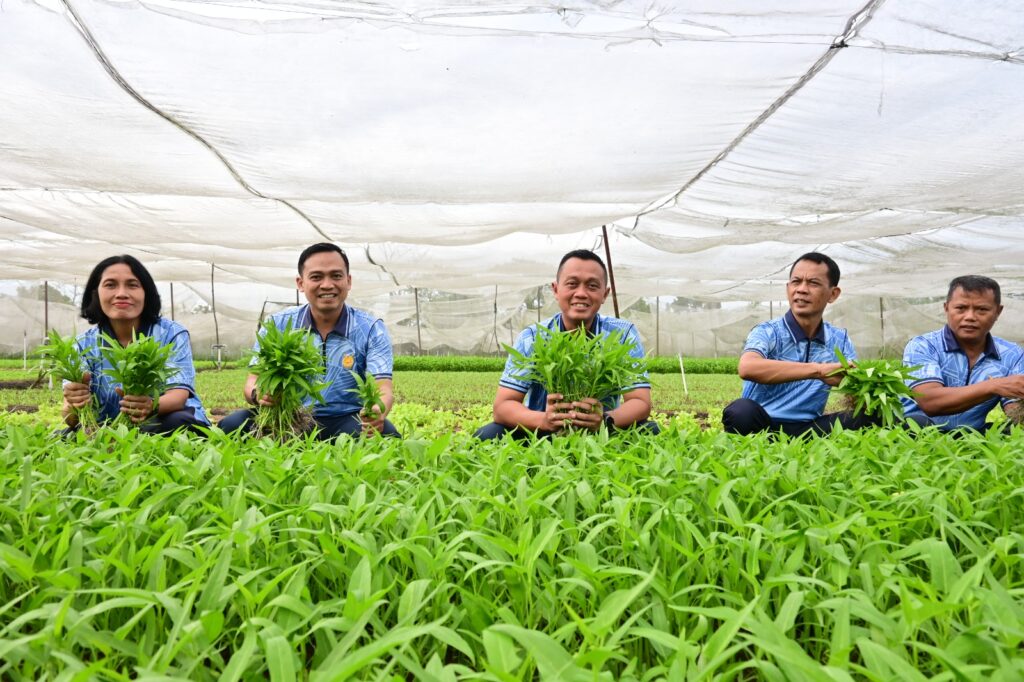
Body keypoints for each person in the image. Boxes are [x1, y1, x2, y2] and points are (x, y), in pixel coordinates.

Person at [219, 243, 400, 438]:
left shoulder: (370, 328)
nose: (327, 285)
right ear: (300, 283)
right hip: (291, 417)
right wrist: (258, 394)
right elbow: (253, 380)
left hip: (347, 419)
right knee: (231, 426)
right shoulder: (278, 324)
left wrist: (376, 411)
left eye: (336, 276)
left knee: (387, 435)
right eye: (316, 277)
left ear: (348, 281)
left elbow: (383, 387)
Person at [475, 249, 656, 439]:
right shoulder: (532, 337)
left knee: (650, 431)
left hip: (602, 433)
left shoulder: (622, 334)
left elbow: (640, 401)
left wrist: (605, 420)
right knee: (488, 435)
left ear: (605, 294)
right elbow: (503, 406)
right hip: (542, 434)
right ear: (556, 290)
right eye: (572, 284)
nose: (581, 293)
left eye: (592, 286)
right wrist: (544, 420)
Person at [722, 252, 876, 436]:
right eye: (796, 282)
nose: (802, 289)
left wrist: (857, 383)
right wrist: (818, 371)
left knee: (870, 416)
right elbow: (748, 367)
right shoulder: (768, 331)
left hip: (810, 429)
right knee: (740, 411)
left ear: (833, 294)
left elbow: (858, 391)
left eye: (813, 283)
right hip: (763, 424)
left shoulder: (839, 339)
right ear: (788, 288)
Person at [61, 255, 210, 434]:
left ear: (146, 292)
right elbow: (69, 418)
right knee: (64, 437)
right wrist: (75, 404)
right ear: (95, 293)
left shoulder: (170, 333)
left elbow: (178, 396)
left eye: (132, 285)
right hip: (107, 427)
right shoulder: (82, 344)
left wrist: (150, 405)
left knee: (176, 424)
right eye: (110, 285)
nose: (122, 293)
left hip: (163, 418)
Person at [901, 275, 1024, 432]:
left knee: (1009, 430)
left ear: (998, 312)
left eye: (982, 309)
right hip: (921, 429)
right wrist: (994, 385)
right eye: (961, 308)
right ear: (946, 308)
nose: (970, 317)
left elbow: (1015, 410)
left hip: (971, 433)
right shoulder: (924, 345)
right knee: (917, 423)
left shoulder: (1012, 354)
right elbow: (930, 402)